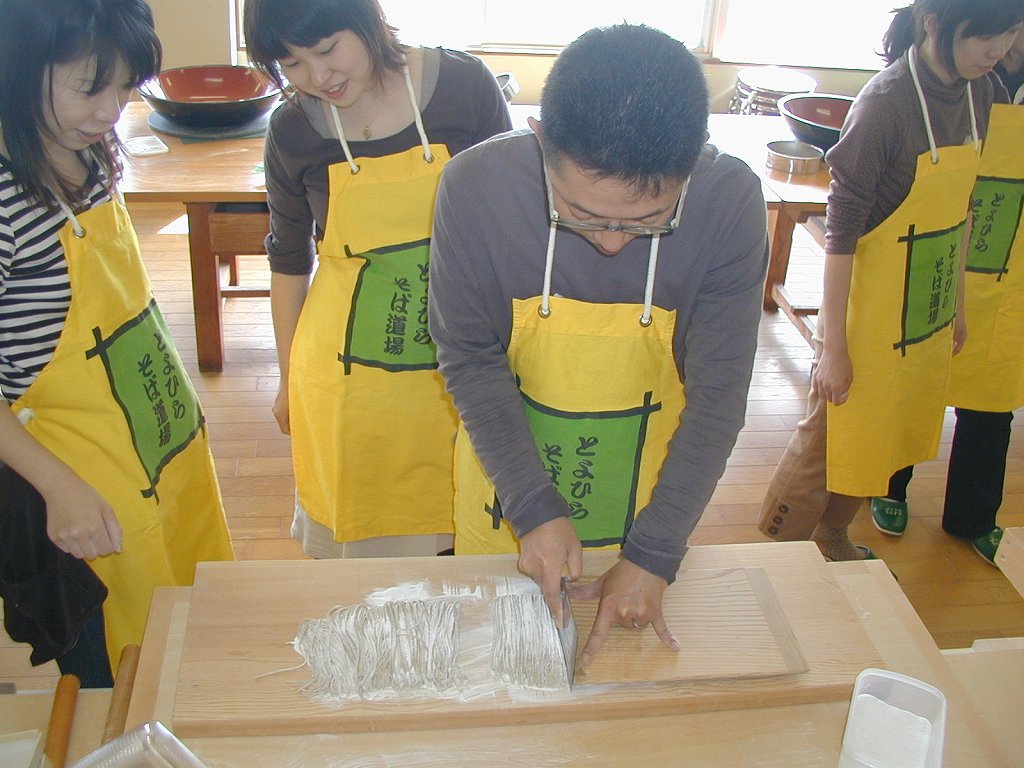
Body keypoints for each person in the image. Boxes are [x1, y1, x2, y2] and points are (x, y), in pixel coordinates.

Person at [429, 24, 768, 664]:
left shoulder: (730, 203)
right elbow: (469, 359)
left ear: (694, 163)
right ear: (539, 142)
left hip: (653, 492)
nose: (612, 243)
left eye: (647, 221)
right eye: (580, 214)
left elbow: (720, 397)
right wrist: (530, 505)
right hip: (507, 475)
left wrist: (656, 550)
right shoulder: (474, 189)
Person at [0, 0, 234, 687]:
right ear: (20, 68)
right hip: (71, 477)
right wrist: (57, 488)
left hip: (158, 445)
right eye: (88, 86)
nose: (110, 109)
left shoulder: (90, 154)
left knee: (193, 631)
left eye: (124, 86)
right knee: (119, 674)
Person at [244, 0, 511, 559]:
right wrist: (288, 376)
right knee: (363, 541)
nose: (318, 78)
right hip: (347, 373)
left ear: (366, 19)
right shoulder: (292, 130)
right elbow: (289, 260)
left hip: (460, 358)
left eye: (326, 49)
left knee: (459, 533)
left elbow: (509, 228)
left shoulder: (464, 88)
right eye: (290, 65)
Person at [758, 0, 1024, 563]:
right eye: (985, 37)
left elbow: (965, 207)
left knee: (886, 432)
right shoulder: (886, 105)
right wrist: (832, 346)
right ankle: (777, 552)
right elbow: (841, 234)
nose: (998, 51)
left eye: (1010, 34)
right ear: (935, 24)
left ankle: (832, 535)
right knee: (830, 436)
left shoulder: (984, 93)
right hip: (869, 302)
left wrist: (955, 303)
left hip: (923, 301)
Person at [870, 24, 1024, 565]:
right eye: (1003, 30)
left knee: (994, 389)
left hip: (1012, 264)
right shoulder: (952, 70)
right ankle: (889, 482)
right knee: (916, 371)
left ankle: (973, 514)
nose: (1003, 46)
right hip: (941, 243)